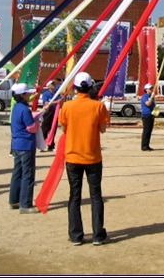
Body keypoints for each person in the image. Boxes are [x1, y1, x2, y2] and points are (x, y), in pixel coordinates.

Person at [58, 72, 109, 246]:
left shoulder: (67, 106)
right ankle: (97, 234)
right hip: (93, 156)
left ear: (75, 87)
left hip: (73, 156)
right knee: (95, 195)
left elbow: (63, 128)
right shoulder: (99, 106)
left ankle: (76, 235)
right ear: (90, 87)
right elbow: (102, 129)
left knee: (74, 196)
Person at [9, 83, 42, 214]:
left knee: (17, 172)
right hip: (26, 144)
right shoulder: (24, 109)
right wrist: (38, 122)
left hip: (17, 144)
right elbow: (31, 128)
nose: (30, 95)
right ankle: (25, 204)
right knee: (28, 174)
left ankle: (14, 200)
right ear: (22, 95)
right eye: (27, 93)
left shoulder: (16, 107)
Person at [40, 80, 62, 152]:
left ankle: (51, 145)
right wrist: (56, 102)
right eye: (52, 84)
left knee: (53, 129)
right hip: (47, 112)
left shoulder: (57, 94)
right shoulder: (46, 94)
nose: (53, 85)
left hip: (54, 112)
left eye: (54, 84)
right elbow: (46, 103)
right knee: (45, 129)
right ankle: (42, 145)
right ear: (48, 86)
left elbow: (60, 102)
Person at [140, 83, 156, 151]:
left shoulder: (150, 96)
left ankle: (147, 145)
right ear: (146, 89)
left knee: (149, 131)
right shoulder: (145, 96)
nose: (151, 90)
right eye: (150, 89)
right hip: (146, 115)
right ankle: (144, 146)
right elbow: (148, 104)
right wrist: (151, 98)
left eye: (152, 88)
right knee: (146, 131)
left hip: (151, 115)